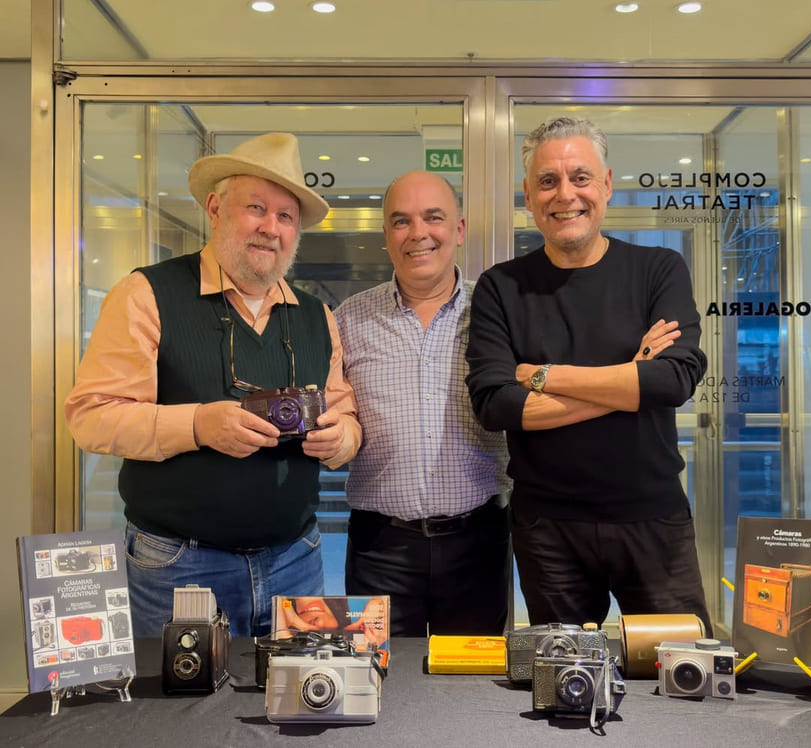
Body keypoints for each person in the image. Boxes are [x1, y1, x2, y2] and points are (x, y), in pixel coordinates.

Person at [64, 133, 361, 638]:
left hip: (298, 559)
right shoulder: (146, 293)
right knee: (175, 692)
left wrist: (341, 440)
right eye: (256, 208)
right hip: (178, 565)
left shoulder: (317, 316)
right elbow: (91, 416)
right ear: (216, 208)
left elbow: (347, 416)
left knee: (299, 687)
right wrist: (199, 425)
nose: (271, 228)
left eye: (286, 216)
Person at [465, 116, 713, 635]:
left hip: (653, 519)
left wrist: (544, 376)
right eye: (547, 181)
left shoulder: (659, 269)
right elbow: (495, 405)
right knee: (565, 677)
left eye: (580, 177)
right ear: (529, 196)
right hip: (547, 529)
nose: (565, 194)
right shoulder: (501, 287)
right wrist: (631, 378)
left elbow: (673, 380)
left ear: (606, 184)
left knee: (681, 667)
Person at [333, 170, 512, 637]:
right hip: (379, 549)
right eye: (401, 221)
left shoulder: (495, 312)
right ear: (386, 235)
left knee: (474, 677)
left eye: (433, 217)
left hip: (479, 543)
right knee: (379, 675)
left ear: (459, 229)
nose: (418, 233)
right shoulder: (348, 319)